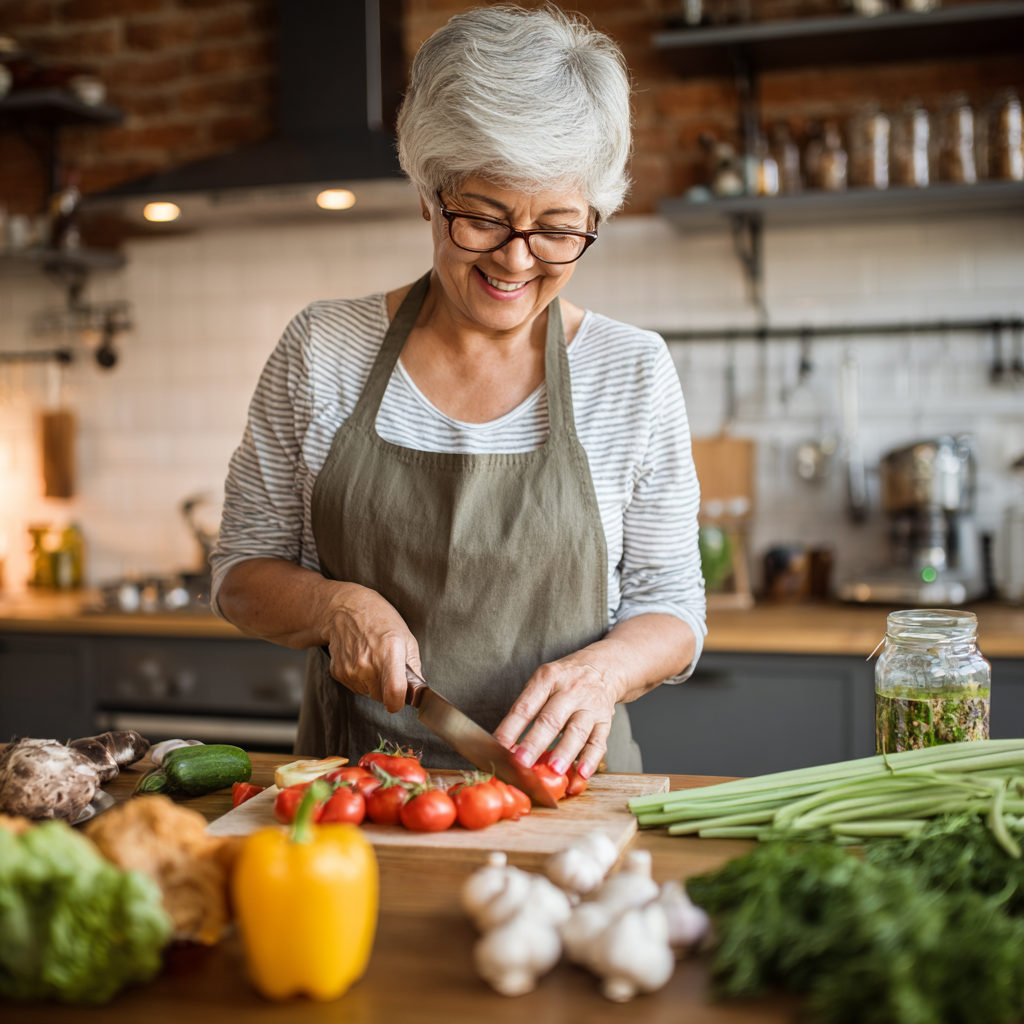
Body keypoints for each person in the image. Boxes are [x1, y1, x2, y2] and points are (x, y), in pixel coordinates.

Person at [212, 5, 705, 780]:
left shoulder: (631, 370)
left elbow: (672, 606)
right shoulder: (321, 349)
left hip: (569, 799)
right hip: (356, 801)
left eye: (558, 228)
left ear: (596, 216)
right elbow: (242, 573)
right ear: (428, 192)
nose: (516, 260)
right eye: (483, 218)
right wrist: (334, 605)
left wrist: (604, 673)